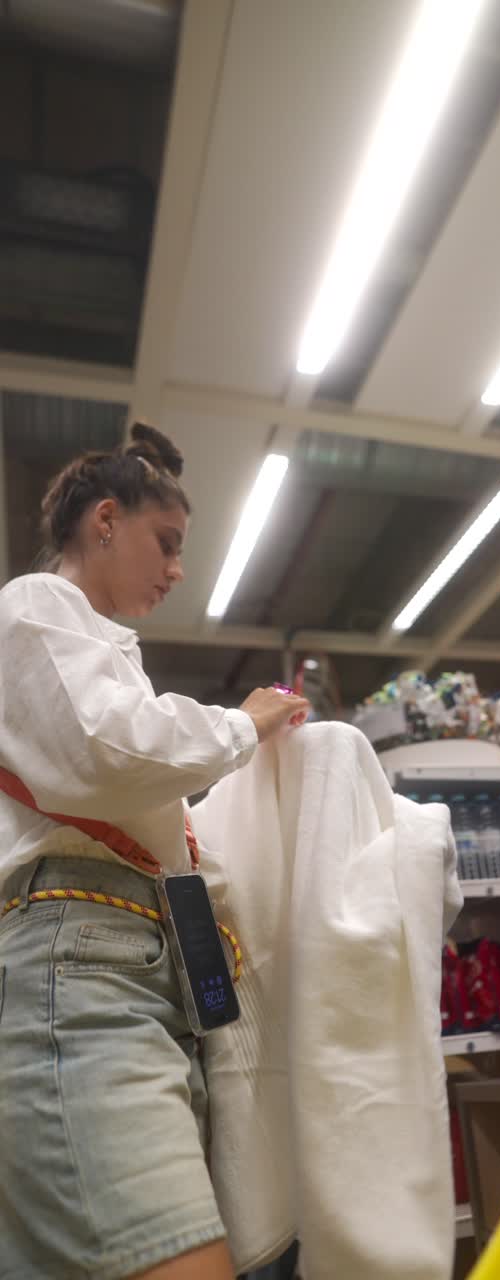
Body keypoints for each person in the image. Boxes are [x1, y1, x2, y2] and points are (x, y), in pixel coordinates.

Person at [0, 423, 310, 1280]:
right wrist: (243, 722)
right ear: (105, 520)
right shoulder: (35, 605)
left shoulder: (99, 650)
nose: (177, 570)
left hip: (119, 959)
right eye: (165, 543)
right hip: (84, 961)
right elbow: (108, 748)